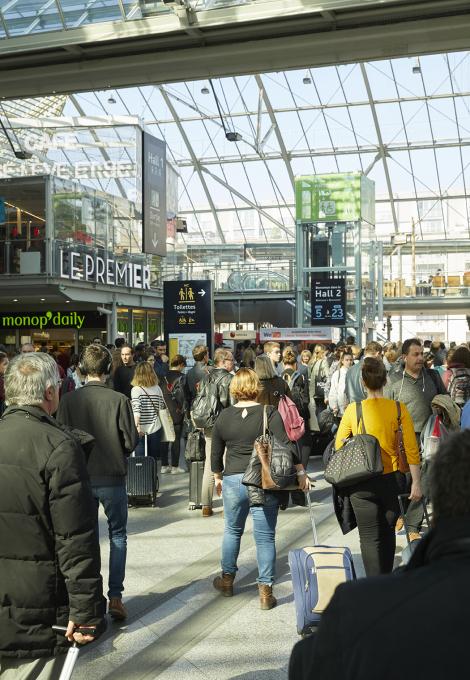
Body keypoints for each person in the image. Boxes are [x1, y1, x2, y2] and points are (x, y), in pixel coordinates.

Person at [289, 430, 470, 680]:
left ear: (437, 503)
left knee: (371, 537)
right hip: (388, 482)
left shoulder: (359, 608)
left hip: (366, 483)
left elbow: (307, 665)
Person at [0, 353, 106, 678]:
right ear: (49, 393)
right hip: (39, 609)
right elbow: (75, 538)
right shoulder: (59, 447)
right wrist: (86, 609)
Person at [211, 368, 310, 609]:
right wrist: (300, 472)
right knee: (265, 537)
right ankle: (265, 592)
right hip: (262, 480)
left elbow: (216, 452)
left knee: (232, 530)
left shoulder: (224, 416)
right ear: (257, 387)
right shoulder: (269, 412)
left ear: (234, 388)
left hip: (234, 478)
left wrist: (217, 477)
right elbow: (287, 446)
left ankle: (227, 580)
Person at [57, 344, 139, 622]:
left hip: (80, 477)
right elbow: (130, 442)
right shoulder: (119, 401)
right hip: (113, 477)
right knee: (118, 535)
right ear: (108, 369)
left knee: (86, 538)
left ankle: (90, 598)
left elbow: (61, 439)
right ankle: (115, 596)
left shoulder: (67, 401)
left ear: (81, 369)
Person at [335, 357, 421, 576]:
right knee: (388, 531)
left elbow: (339, 445)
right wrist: (417, 483)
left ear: (363, 382)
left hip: (360, 480)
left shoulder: (353, 410)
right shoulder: (398, 409)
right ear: (385, 381)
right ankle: (386, 581)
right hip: (392, 479)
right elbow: (412, 449)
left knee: (369, 537)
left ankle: (374, 586)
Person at [384, 338, 446, 540]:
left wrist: (442, 408)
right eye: (415, 354)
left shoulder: (433, 376)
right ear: (404, 357)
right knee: (406, 481)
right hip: (402, 439)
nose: (421, 358)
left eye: (422, 354)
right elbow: (385, 410)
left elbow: (445, 400)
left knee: (424, 481)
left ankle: (413, 526)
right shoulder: (393, 381)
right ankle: (404, 512)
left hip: (430, 436)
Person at [199, 348, 234, 517]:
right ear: (223, 361)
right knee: (227, 463)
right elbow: (232, 405)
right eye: (231, 361)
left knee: (209, 463)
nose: (233, 363)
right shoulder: (230, 379)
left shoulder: (206, 377)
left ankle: (206, 505)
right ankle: (228, 505)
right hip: (226, 425)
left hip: (208, 425)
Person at [130, 361, 168, 461]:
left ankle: (143, 477)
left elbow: (137, 410)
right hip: (156, 428)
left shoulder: (136, 390)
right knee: (153, 460)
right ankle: (153, 476)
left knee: (141, 461)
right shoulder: (157, 388)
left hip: (141, 430)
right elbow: (161, 407)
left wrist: (137, 427)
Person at [160, 354, 188, 473]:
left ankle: (164, 466)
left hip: (164, 409)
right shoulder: (183, 377)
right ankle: (175, 466)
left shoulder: (162, 377)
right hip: (177, 410)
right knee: (176, 439)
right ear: (181, 365)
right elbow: (184, 395)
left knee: (165, 438)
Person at [328, 350, 353, 417]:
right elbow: (333, 391)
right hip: (340, 409)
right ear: (342, 361)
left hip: (352, 408)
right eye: (346, 360)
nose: (349, 362)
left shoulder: (354, 373)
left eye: (351, 360)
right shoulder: (337, 374)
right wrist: (334, 407)